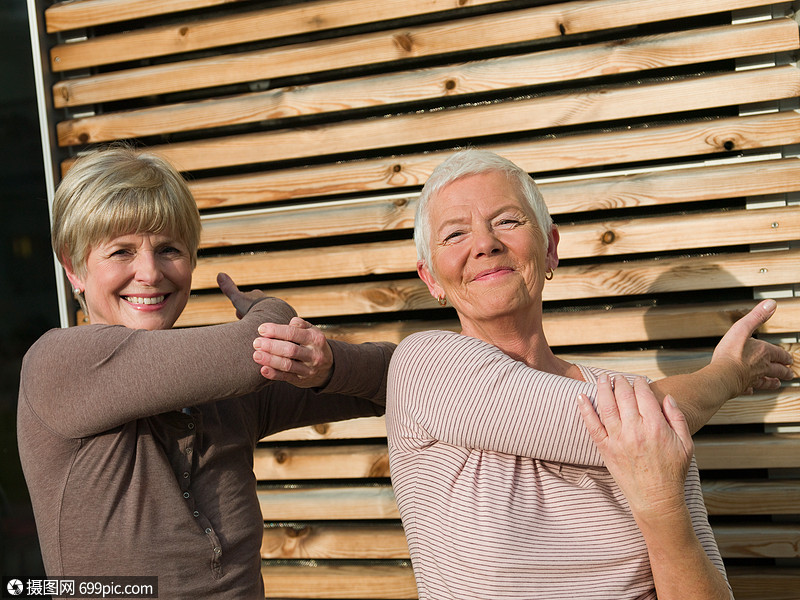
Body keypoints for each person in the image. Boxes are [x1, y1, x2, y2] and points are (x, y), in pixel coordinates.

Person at [385, 149, 794, 599]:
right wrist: (729, 373)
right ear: (432, 279)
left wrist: (661, 512)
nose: (485, 243)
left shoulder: (650, 402)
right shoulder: (423, 366)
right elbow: (635, 422)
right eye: (455, 233)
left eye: (507, 221)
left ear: (550, 248)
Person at [17, 146, 394, 598]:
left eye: (168, 249)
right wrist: (268, 310)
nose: (149, 272)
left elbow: (394, 379)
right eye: (121, 252)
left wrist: (327, 365)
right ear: (74, 268)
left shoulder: (223, 388)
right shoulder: (59, 363)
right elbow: (248, 348)